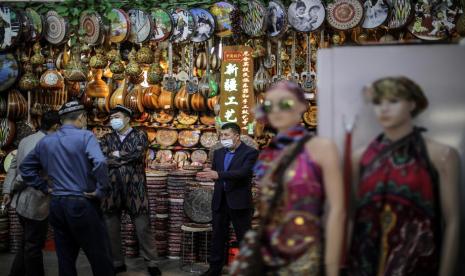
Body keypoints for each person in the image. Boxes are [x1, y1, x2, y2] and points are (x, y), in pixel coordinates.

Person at [229, 80, 345, 276]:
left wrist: (332, 265)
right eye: (269, 105)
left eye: (285, 104)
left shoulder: (321, 148)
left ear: (302, 107)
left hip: (307, 249)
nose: (276, 110)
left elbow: (338, 209)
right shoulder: (269, 154)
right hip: (269, 249)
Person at [348, 77, 460, 276]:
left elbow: (453, 221)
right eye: (377, 102)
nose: (384, 109)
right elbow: (352, 217)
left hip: (417, 263)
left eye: (393, 101)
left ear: (412, 104)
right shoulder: (360, 157)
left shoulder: (441, 155)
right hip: (364, 264)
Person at [19, 101, 114, 276]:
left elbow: (25, 168)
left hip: (57, 204)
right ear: (81, 117)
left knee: (65, 259)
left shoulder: (46, 142)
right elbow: (100, 162)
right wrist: (101, 190)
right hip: (82, 203)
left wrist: (44, 187)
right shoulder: (86, 137)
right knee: (100, 257)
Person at [100, 105, 162, 276]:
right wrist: (119, 157)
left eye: (117, 117)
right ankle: (117, 262)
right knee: (111, 227)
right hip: (112, 189)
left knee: (143, 227)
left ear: (127, 118)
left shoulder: (140, 135)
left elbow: (138, 153)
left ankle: (152, 262)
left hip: (136, 188)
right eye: (112, 118)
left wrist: (117, 156)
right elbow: (103, 157)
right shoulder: (106, 137)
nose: (114, 120)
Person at [2, 111, 60, 276]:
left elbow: (13, 166)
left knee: (26, 243)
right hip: (35, 203)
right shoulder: (46, 144)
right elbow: (24, 174)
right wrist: (14, 187)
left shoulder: (26, 140)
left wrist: (7, 190)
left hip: (21, 203)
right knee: (33, 247)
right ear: (56, 126)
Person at [198, 123, 259, 276]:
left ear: (237, 136)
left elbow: (244, 173)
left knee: (244, 238)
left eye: (226, 135)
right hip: (220, 200)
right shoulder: (218, 153)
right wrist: (212, 175)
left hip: (239, 201)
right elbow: (215, 173)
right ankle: (214, 269)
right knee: (218, 236)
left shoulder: (250, 152)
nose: (223, 138)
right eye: (221, 135)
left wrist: (218, 175)